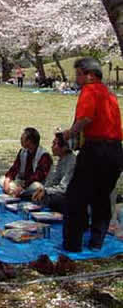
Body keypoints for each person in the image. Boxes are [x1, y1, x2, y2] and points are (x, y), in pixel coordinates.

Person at [61, 57, 123, 252]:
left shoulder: (90, 90)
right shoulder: (109, 93)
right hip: (115, 150)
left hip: (96, 149)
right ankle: (97, 242)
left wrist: (70, 132)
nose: (76, 78)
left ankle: (73, 244)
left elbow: (86, 118)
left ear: (89, 75)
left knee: (76, 196)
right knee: (102, 197)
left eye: (78, 74)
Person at [0, 127, 53, 198]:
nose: (20, 140)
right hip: (22, 182)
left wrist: (23, 187)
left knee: (37, 187)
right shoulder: (22, 152)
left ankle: (17, 192)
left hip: (33, 183)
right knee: (2, 179)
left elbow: (38, 176)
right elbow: (15, 168)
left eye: (22, 139)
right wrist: (7, 180)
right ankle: (16, 192)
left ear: (29, 141)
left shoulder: (44, 155)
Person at [31, 133, 76, 213]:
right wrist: (43, 189)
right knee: (38, 191)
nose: (52, 147)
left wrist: (46, 191)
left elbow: (64, 188)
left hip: (71, 197)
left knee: (49, 197)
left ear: (64, 147)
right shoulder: (61, 160)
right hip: (61, 193)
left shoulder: (72, 162)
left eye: (55, 144)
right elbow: (53, 181)